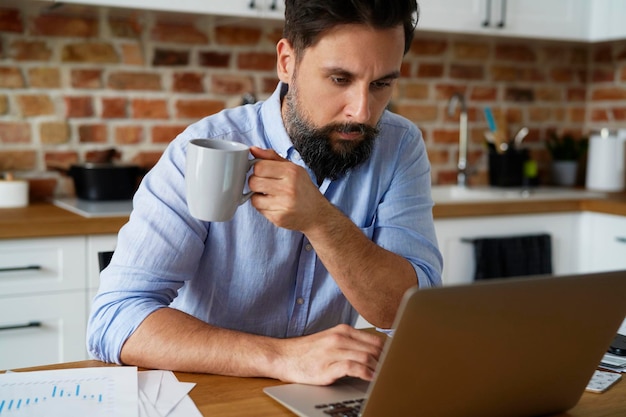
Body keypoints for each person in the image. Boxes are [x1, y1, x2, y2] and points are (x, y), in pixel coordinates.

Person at [87, 0, 442, 386]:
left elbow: (409, 313)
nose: (361, 111)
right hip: (210, 391)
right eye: (340, 79)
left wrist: (320, 220)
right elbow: (114, 318)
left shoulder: (399, 146)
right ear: (287, 62)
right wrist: (283, 358)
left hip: (321, 396)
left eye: (381, 84)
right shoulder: (203, 149)